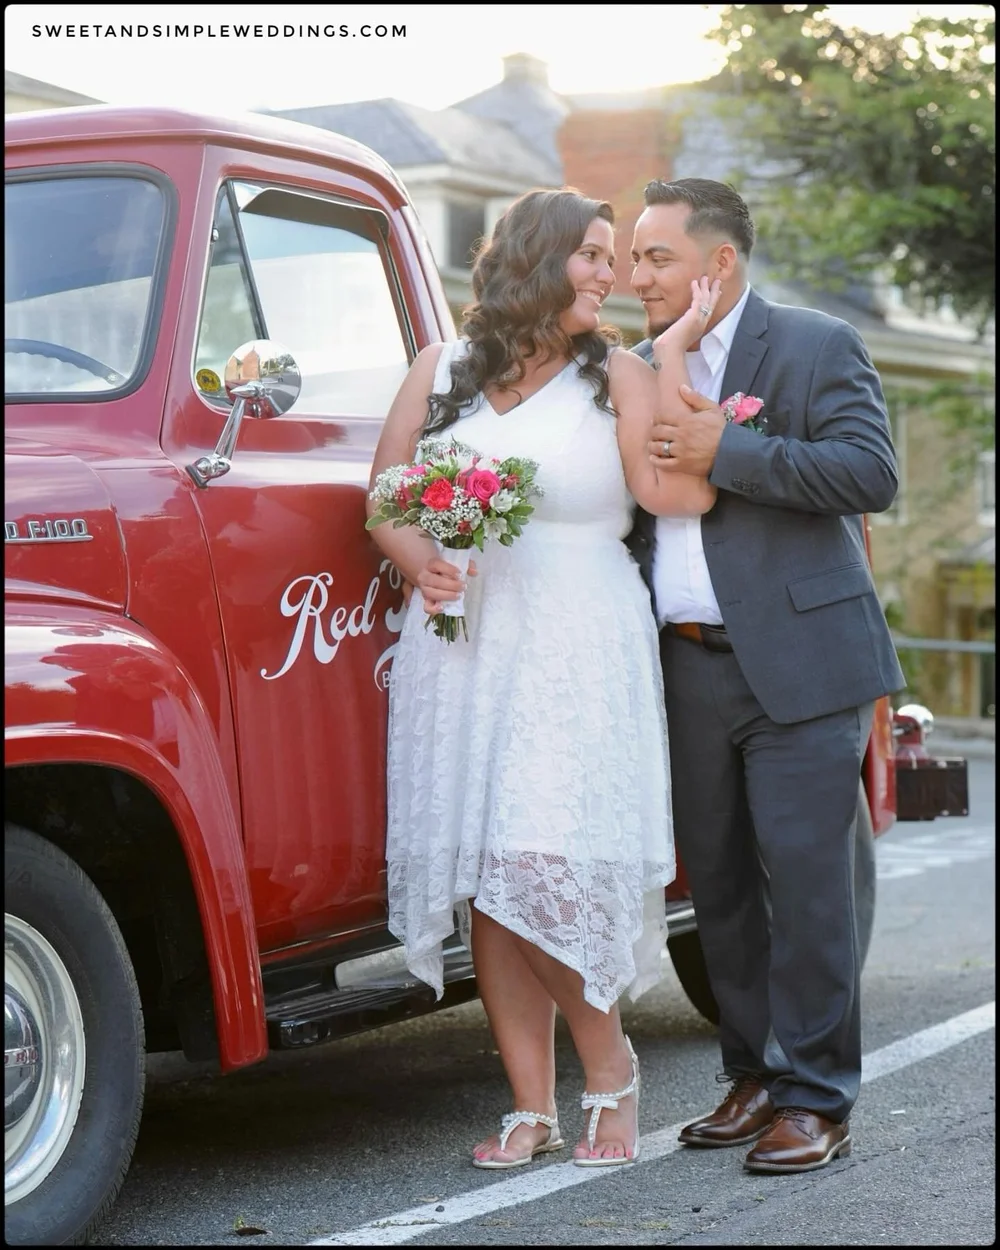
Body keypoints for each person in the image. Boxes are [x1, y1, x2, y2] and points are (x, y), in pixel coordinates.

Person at [366, 188, 719, 1169]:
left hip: (577, 641)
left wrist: (678, 362)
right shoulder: (439, 369)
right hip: (463, 642)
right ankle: (532, 1105)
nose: (610, 274)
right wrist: (420, 562)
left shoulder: (620, 374)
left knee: (537, 860)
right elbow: (385, 497)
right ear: (535, 258)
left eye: (614, 257)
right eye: (593, 255)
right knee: (490, 877)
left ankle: (610, 1069)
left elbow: (673, 493)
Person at [626, 176, 905, 1173]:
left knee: (811, 888)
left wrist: (730, 448)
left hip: (803, 661)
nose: (637, 275)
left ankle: (816, 1098)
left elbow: (869, 474)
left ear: (719, 262)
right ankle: (751, 1075)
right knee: (721, 889)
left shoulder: (815, 344)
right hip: (684, 663)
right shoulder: (636, 368)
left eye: (657, 256)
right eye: (633, 257)